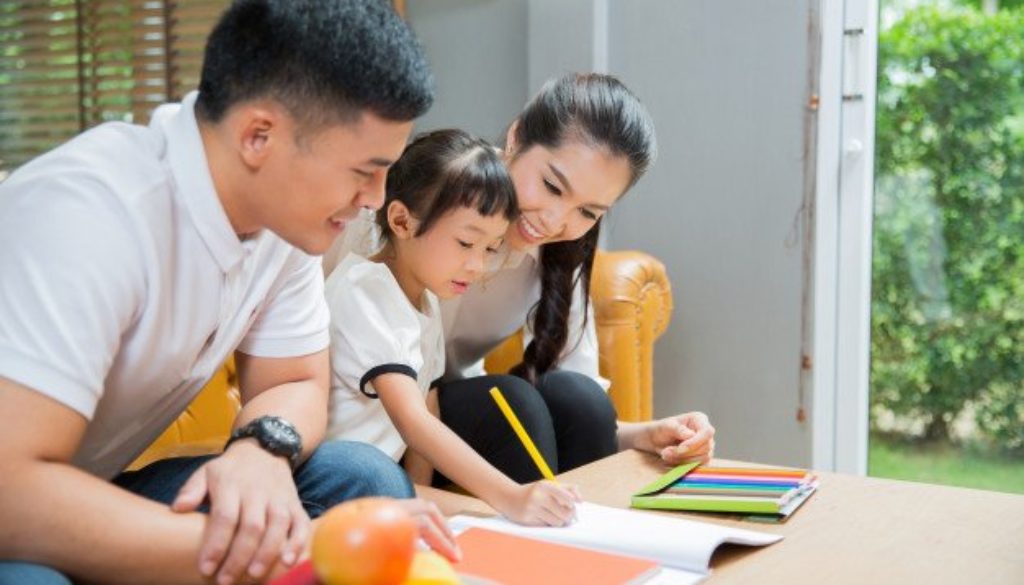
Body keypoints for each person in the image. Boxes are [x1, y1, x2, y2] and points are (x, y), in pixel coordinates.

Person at [0, 1, 455, 584]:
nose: (375, 196)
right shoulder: (90, 214)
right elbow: (10, 489)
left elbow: (295, 381)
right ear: (258, 136)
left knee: (360, 479)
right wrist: (297, 552)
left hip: (88, 487)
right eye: (364, 170)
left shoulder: (286, 221)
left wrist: (260, 449)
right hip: (13, 500)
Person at [327, 73, 716, 486]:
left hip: (442, 413)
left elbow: (584, 411)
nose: (555, 220)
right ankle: (532, 541)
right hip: (369, 421)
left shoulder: (558, 254)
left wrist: (649, 435)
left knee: (580, 400)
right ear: (515, 138)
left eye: (588, 212)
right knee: (512, 403)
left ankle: (595, 541)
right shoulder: (412, 206)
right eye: (551, 185)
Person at [325, 129, 582, 528]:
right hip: (339, 479)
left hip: (382, 480)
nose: (478, 266)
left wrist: (418, 493)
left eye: (490, 248)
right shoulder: (366, 290)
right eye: (466, 243)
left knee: (496, 520)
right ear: (401, 221)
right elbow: (413, 420)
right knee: (498, 513)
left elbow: (428, 403)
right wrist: (511, 495)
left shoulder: (425, 301)